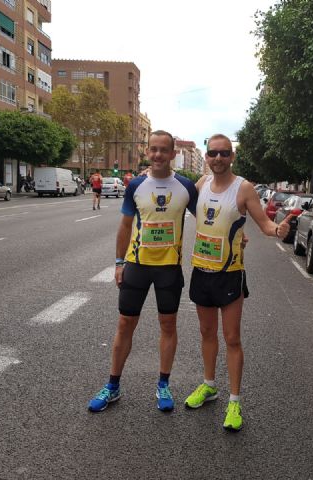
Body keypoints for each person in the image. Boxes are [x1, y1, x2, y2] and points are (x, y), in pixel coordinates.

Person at [183, 133, 291, 431]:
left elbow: (265, 224)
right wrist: (150, 175)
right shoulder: (201, 184)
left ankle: (234, 401)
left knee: (232, 338)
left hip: (230, 272)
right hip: (201, 269)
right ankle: (209, 385)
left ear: (232, 156)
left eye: (224, 153)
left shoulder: (243, 188)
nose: (218, 158)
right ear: (207, 156)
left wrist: (277, 230)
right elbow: (180, 200)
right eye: (213, 153)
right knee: (207, 332)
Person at [87, 130, 198, 413]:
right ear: (147, 151)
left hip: (168, 268)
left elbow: (208, 219)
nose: (158, 154)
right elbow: (125, 226)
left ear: (173, 154)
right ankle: (113, 386)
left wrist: (236, 237)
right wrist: (119, 263)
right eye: (153, 149)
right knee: (125, 324)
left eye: (164, 149)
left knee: (168, 325)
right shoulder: (136, 185)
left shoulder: (185, 186)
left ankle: (163, 385)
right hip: (137, 265)